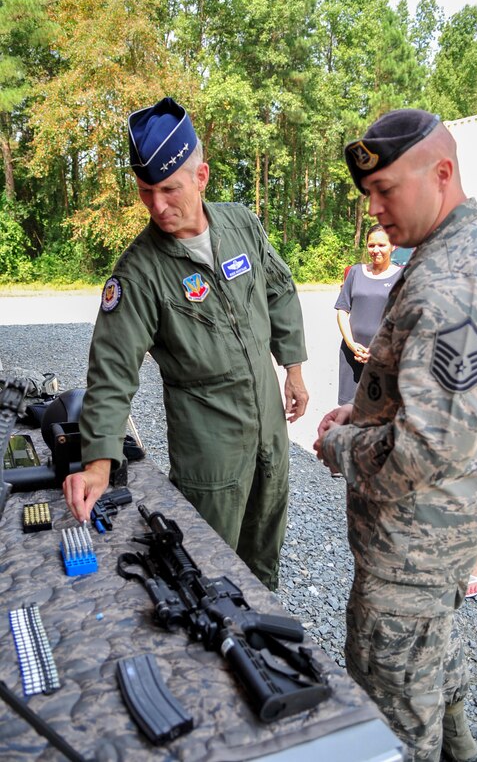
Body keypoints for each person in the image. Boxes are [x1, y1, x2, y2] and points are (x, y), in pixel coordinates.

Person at [314, 109, 477, 761]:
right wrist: (363, 414)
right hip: (437, 549)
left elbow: (426, 448)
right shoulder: (450, 251)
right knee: (439, 679)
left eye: (386, 190)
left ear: (442, 173)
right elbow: (427, 400)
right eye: (368, 194)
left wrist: (341, 445)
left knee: (392, 728)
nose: (373, 208)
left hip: (411, 557)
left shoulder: (450, 283)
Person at [63, 97, 309, 590]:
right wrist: (98, 463)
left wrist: (294, 368)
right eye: (145, 191)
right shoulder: (139, 272)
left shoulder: (242, 224)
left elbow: (279, 288)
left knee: (263, 555)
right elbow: (112, 370)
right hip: (209, 444)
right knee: (208, 565)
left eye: (169, 189)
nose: (157, 206)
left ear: (201, 177)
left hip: (268, 425)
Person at [335, 224, 401, 405]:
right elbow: (342, 310)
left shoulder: (402, 277)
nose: (376, 250)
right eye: (372, 245)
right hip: (352, 355)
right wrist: (351, 344)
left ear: (393, 245)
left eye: (382, 245)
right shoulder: (355, 272)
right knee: (349, 412)